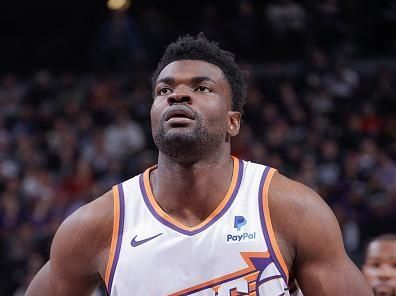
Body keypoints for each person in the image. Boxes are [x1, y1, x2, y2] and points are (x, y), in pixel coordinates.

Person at [26, 33, 372, 295]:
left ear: (232, 122)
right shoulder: (96, 225)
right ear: (152, 116)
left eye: (202, 88)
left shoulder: (290, 209)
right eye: (164, 91)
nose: (177, 95)